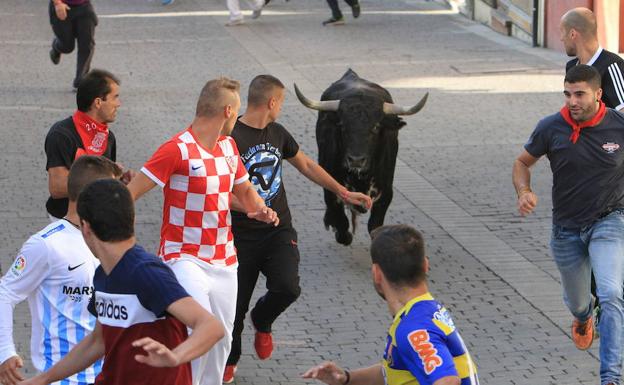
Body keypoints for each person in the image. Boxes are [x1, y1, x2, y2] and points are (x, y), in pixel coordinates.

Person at [126, 77, 278, 385]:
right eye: (236, 112)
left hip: (225, 261)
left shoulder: (229, 146)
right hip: (183, 258)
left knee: (221, 341)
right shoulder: (176, 149)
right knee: (198, 332)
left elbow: (245, 189)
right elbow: (129, 194)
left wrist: (260, 208)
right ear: (227, 111)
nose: (238, 118)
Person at [223, 75, 372, 383]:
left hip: (278, 230)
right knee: (233, 310)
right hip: (239, 236)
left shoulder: (277, 133)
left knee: (287, 287)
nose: (281, 109)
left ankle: (262, 319)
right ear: (272, 102)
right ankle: (231, 359)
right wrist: (252, 209)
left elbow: (306, 165)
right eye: (281, 103)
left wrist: (343, 192)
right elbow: (218, 191)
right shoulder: (230, 138)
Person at [18, 179, 226, 385]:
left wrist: (176, 356)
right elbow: (97, 341)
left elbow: (211, 327)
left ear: (85, 227)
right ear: (132, 219)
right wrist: (42, 379)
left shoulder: (146, 272)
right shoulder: (102, 274)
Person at [513, 64, 624, 385]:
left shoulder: (619, 127)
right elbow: (522, 162)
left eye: (579, 94)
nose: (572, 101)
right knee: (577, 301)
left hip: (610, 221)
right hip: (566, 230)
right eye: (567, 94)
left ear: (598, 94)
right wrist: (524, 190)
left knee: (612, 292)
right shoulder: (551, 128)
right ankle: (583, 316)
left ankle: (611, 377)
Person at [303, 224, 478, 385]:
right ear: (425, 265)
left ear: (377, 273)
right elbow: (399, 369)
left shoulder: (414, 329)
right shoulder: (424, 311)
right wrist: (347, 378)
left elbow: (448, 381)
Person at [0, 155, 122, 385]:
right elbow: (5, 293)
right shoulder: (47, 244)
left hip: (109, 376)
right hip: (61, 379)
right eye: (112, 193)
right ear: (91, 195)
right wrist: (5, 352)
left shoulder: (114, 241)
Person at [44, 69, 132, 220]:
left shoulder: (108, 137)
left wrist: (119, 181)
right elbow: (57, 188)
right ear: (98, 102)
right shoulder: (62, 135)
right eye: (115, 97)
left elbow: (103, 182)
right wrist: (107, 177)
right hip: (67, 220)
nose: (119, 104)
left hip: (97, 218)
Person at [561, 7, 624, 111]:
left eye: (562, 32)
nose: (561, 38)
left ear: (572, 34)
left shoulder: (612, 66)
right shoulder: (571, 66)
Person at [48, 0, 98, 89]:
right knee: (67, 46)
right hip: (62, 5)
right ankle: (56, 47)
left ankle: (81, 79)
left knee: (86, 42)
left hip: (84, 6)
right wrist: (58, 3)